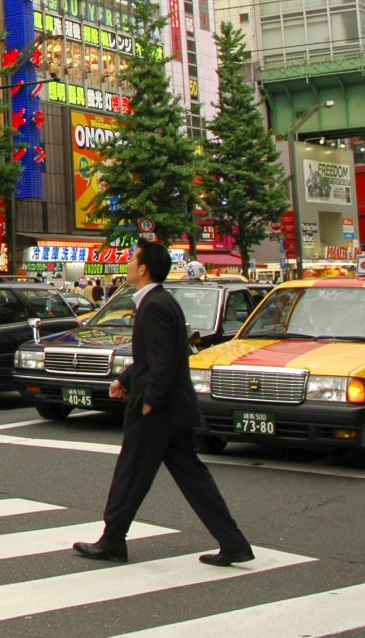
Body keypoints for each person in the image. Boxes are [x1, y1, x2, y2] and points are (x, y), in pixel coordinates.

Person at [73, 239, 254, 566]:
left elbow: (163, 362)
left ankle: (112, 541)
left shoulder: (154, 305)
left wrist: (149, 401)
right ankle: (233, 542)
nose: (127, 264)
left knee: (131, 474)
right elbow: (157, 356)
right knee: (192, 477)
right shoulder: (161, 301)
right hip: (173, 408)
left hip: (158, 410)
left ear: (143, 269)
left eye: (131, 260)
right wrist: (124, 380)